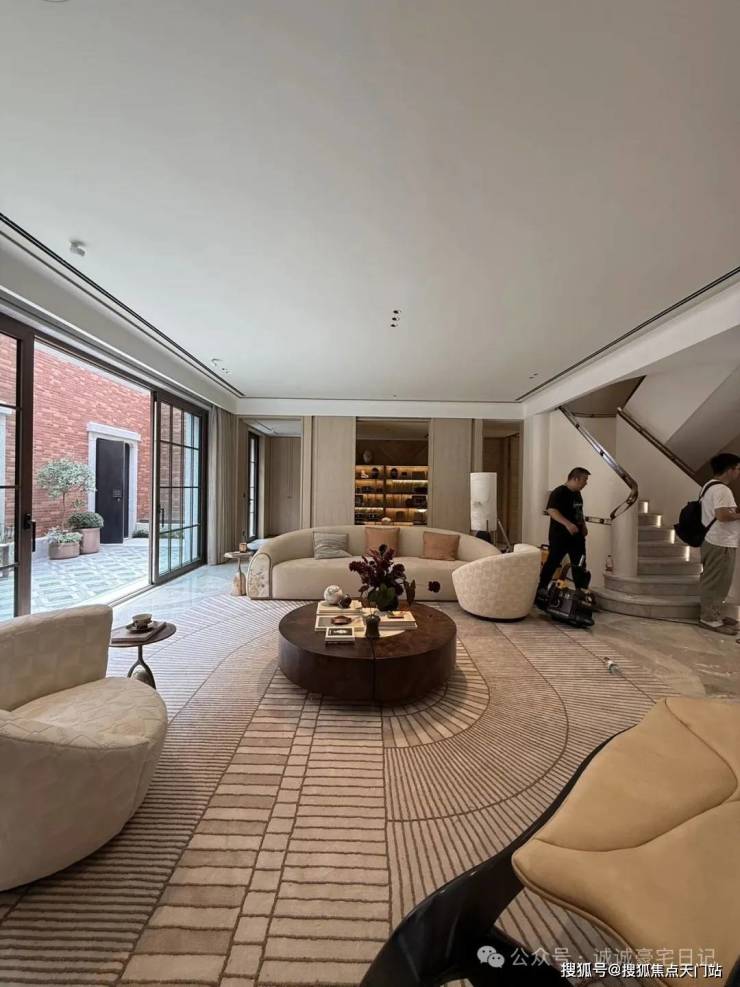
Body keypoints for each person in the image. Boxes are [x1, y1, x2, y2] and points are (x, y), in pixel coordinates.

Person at [698, 452, 740, 634]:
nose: (738, 472)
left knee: (718, 581)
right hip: (720, 542)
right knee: (717, 582)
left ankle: (715, 614)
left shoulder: (709, 486)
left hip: (714, 540)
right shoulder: (722, 490)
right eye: (737, 469)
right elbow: (722, 515)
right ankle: (709, 619)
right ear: (729, 470)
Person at [538, 467, 590, 594]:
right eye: (584, 480)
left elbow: (579, 512)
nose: (586, 483)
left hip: (576, 537)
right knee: (553, 562)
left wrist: (583, 526)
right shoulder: (559, 492)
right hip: (560, 536)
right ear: (576, 479)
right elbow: (551, 510)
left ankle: (581, 591)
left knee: (580, 564)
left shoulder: (578, 494)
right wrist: (568, 524)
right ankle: (541, 588)